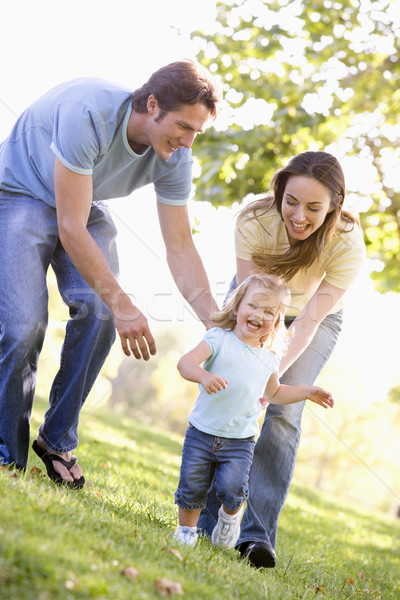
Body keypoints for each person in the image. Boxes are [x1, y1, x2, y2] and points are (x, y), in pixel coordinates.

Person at [0, 60, 221, 488]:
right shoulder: (90, 112)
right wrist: (124, 304)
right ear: (152, 104)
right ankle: (6, 450)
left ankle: (56, 439)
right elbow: (70, 227)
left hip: (82, 205)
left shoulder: (175, 156)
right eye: (183, 126)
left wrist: (216, 322)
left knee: (100, 308)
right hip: (20, 192)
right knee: (24, 325)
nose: (189, 141)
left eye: (197, 132)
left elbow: (180, 246)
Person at [197, 151, 366, 567]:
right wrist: (249, 373)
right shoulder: (254, 221)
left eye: (314, 207)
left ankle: (254, 537)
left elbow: (307, 322)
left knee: (282, 411)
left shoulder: (347, 243)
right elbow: (252, 297)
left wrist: (268, 378)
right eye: (291, 201)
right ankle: (205, 522)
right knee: (231, 398)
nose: (299, 216)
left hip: (314, 318)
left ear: (334, 206)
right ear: (279, 190)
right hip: (254, 302)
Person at [173, 273, 334, 548]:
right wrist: (203, 376)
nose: (259, 314)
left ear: (276, 321)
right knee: (192, 484)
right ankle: (186, 532)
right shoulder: (217, 339)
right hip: (201, 432)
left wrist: (306, 391)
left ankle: (228, 520)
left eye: (269, 311)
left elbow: (274, 393)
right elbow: (185, 363)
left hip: (240, 440)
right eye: (253, 306)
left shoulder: (269, 357)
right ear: (237, 307)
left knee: (232, 488)